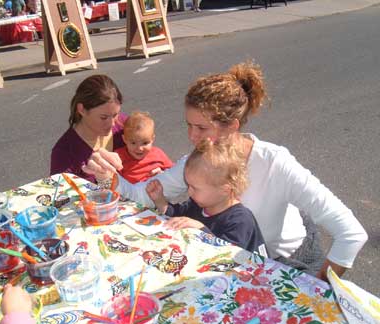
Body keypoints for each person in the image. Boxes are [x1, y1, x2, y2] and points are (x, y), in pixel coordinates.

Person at [82, 61, 368, 282]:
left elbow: (351, 234)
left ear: (232, 126)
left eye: (202, 128)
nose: (192, 137)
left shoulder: (275, 163)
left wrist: (319, 288)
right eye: (189, 125)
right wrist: (109, 176)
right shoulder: (200, 159)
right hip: (236, 262)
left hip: (290, 261)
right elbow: (141, 195)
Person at [146, 138, 267, 256]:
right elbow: (179, 216)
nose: (189, 191)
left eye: (195, 188)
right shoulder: (198, 203)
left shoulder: (240, 220)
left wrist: (201, 230)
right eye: (188, 185)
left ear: (224, 189)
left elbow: (228, 256)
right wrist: (160, 201)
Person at [51, 75, 127, 183]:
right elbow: (61, 195)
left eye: (115, 115)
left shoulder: (125, 125)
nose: (112, 123)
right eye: (103, 117)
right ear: (81, 109)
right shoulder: (64, 152)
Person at [115, 111, 173, 184]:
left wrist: (163, 174)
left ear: (152, 139)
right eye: (133, 143)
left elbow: (173, 172)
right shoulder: (119, 157)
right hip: (131, 192)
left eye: (145, 143)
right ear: (124, 139)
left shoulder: (157, 154)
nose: (139, 148)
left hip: (156, 191)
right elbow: (111, 180)